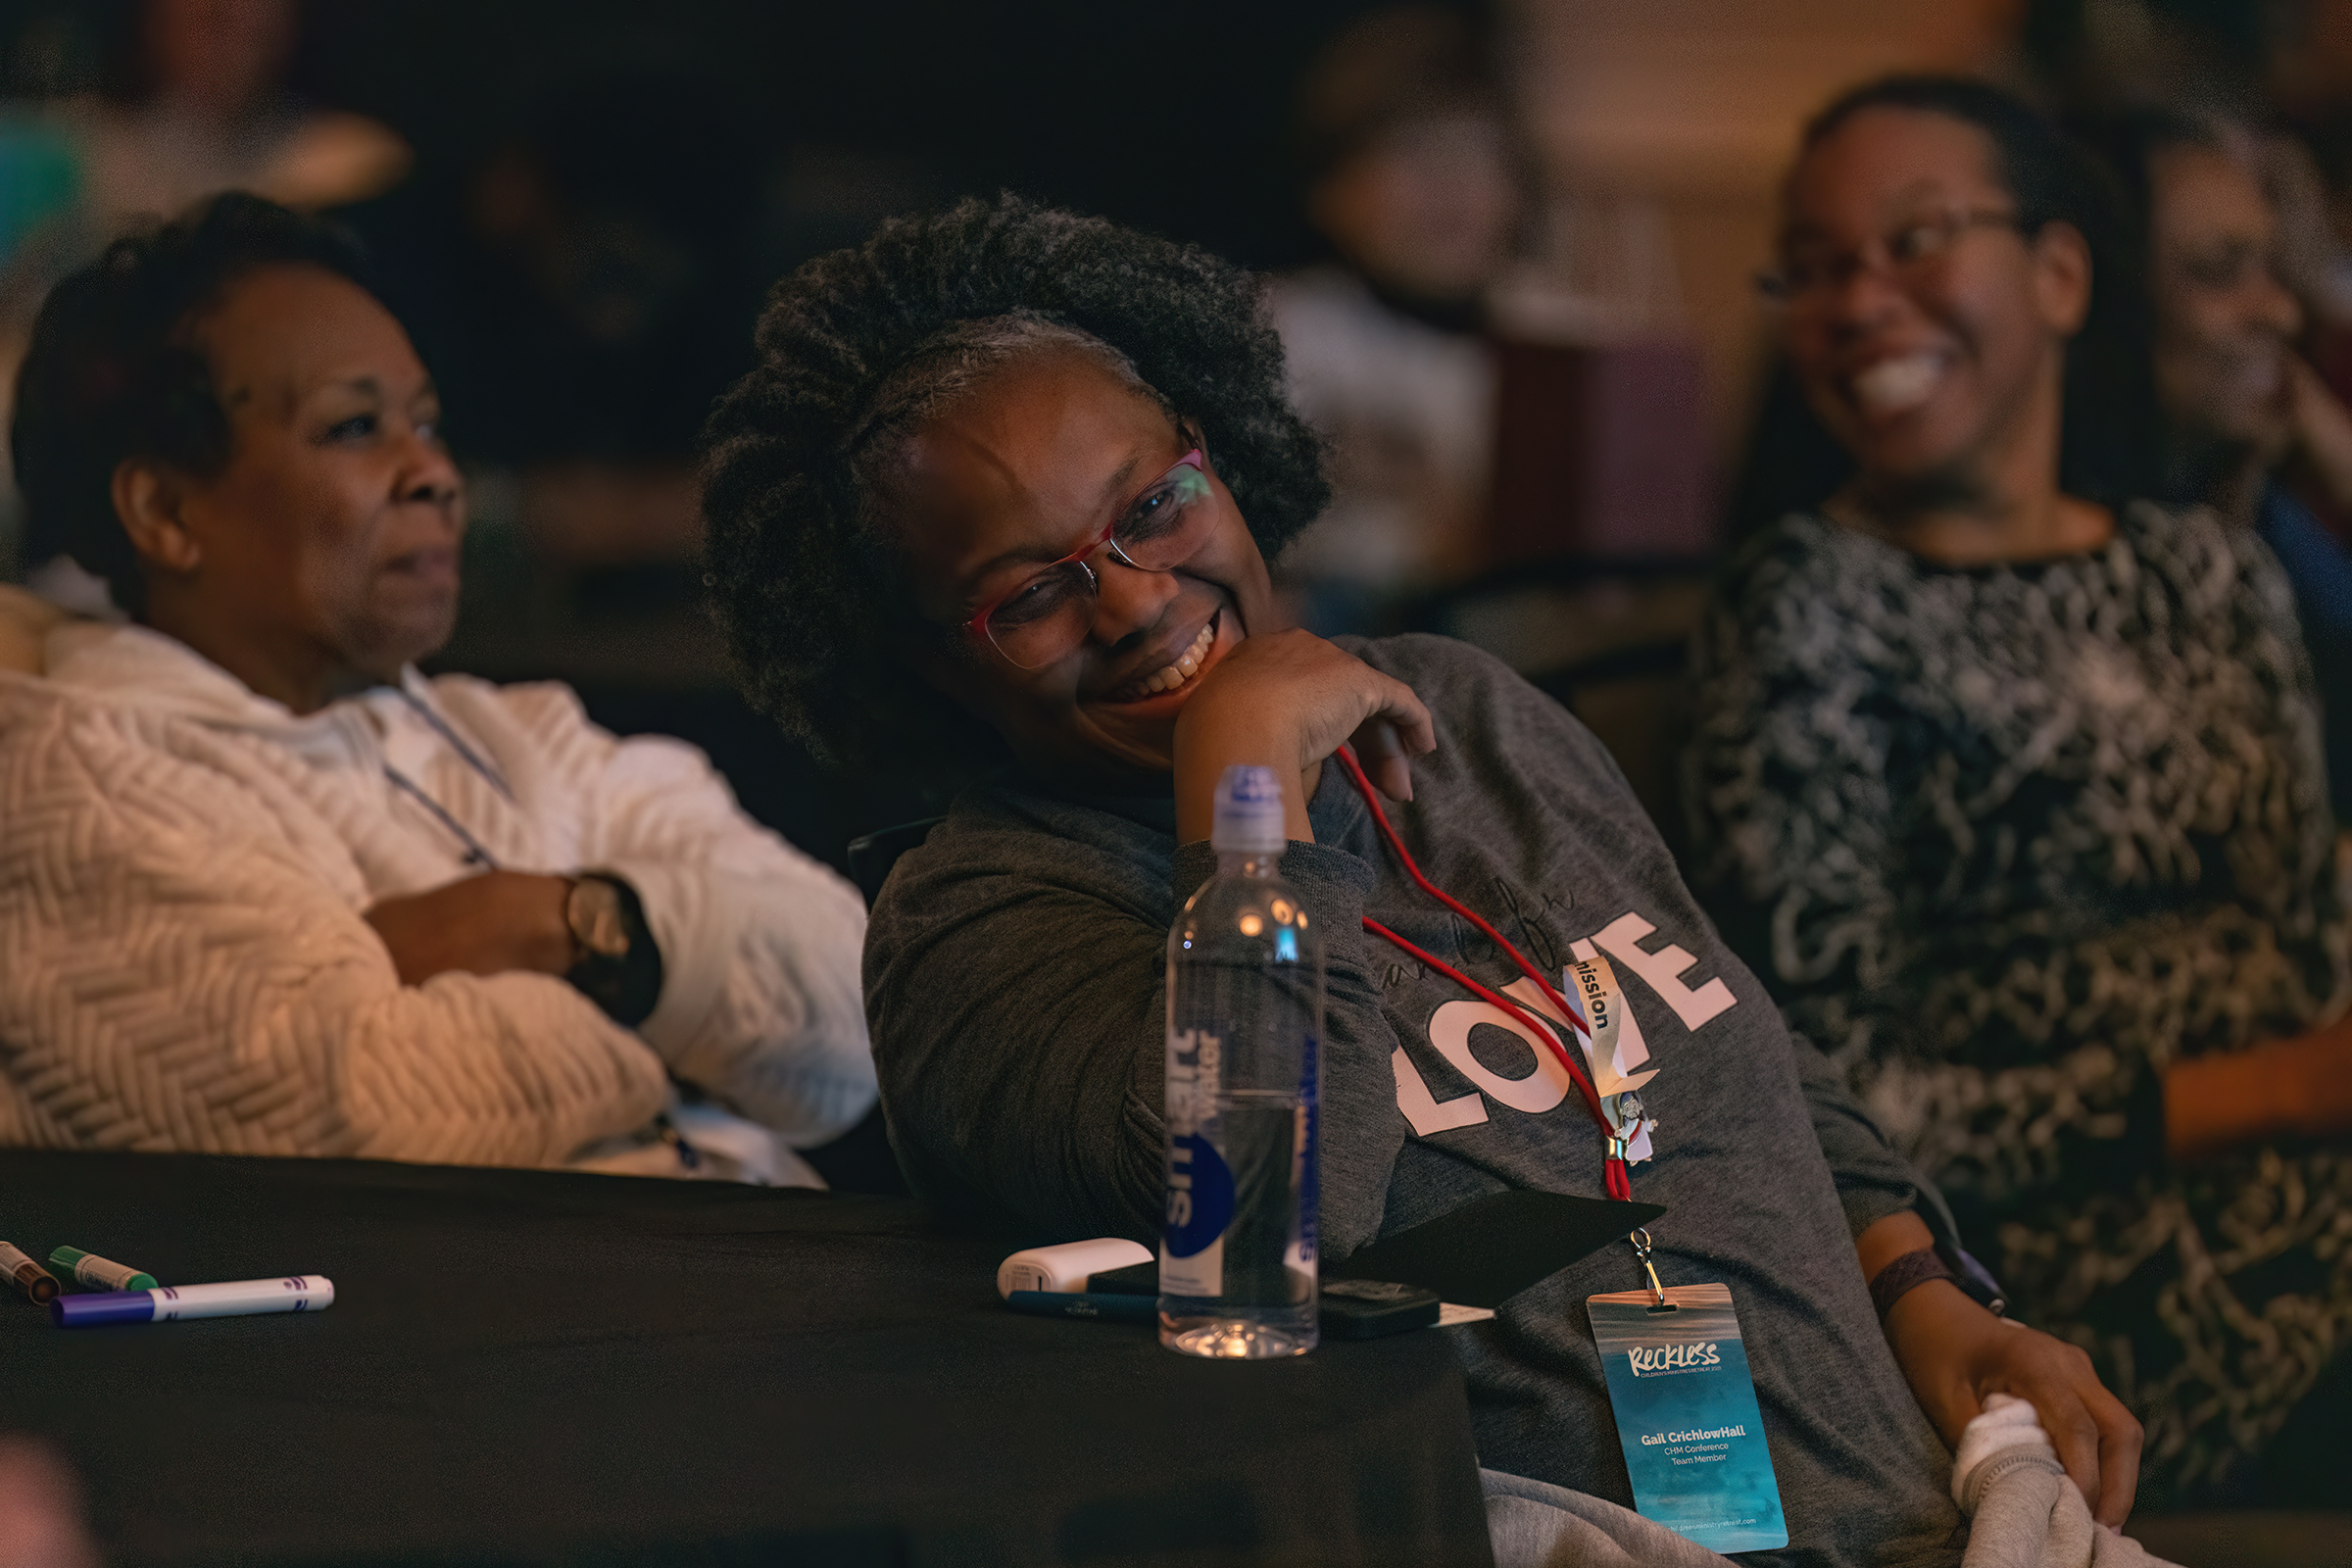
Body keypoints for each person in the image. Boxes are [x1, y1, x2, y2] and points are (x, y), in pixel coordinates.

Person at [699, 192, 2143, 1566]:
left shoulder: (1463, 708)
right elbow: (1269, 1238)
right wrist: (1247, 794)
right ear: (924, 665)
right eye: (1029, 593)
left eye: (1152, 506)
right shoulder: (976, 927)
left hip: (1948, 1518)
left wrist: (1919, 1286)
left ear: (1216, 451)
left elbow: (1734, 1039)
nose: (1134, 600)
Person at [1682, 76, 2348, 1504]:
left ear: (2057, 276)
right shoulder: (1806, 608)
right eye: (1818, 265)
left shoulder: (2211, 570)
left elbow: (2305, 952)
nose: (1862, 300)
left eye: (1916, 239)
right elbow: (1842, 1107)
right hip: (2054, 1288)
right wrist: (2262, 1094)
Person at [0, 193, 875, 1181]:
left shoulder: (525, 733)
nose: (435, 475)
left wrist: (550, 923)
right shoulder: (79, 781)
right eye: (355, 426)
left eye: (429, 423)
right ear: (165, 509)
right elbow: (379, 1114)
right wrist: (698, 1037)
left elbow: (856, 1019)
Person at [2073, 105, 2352, 821]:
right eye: (2220, 273)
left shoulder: (2256, 517)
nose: (2282, 313)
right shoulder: (2060, 581)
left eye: (2274, 268)